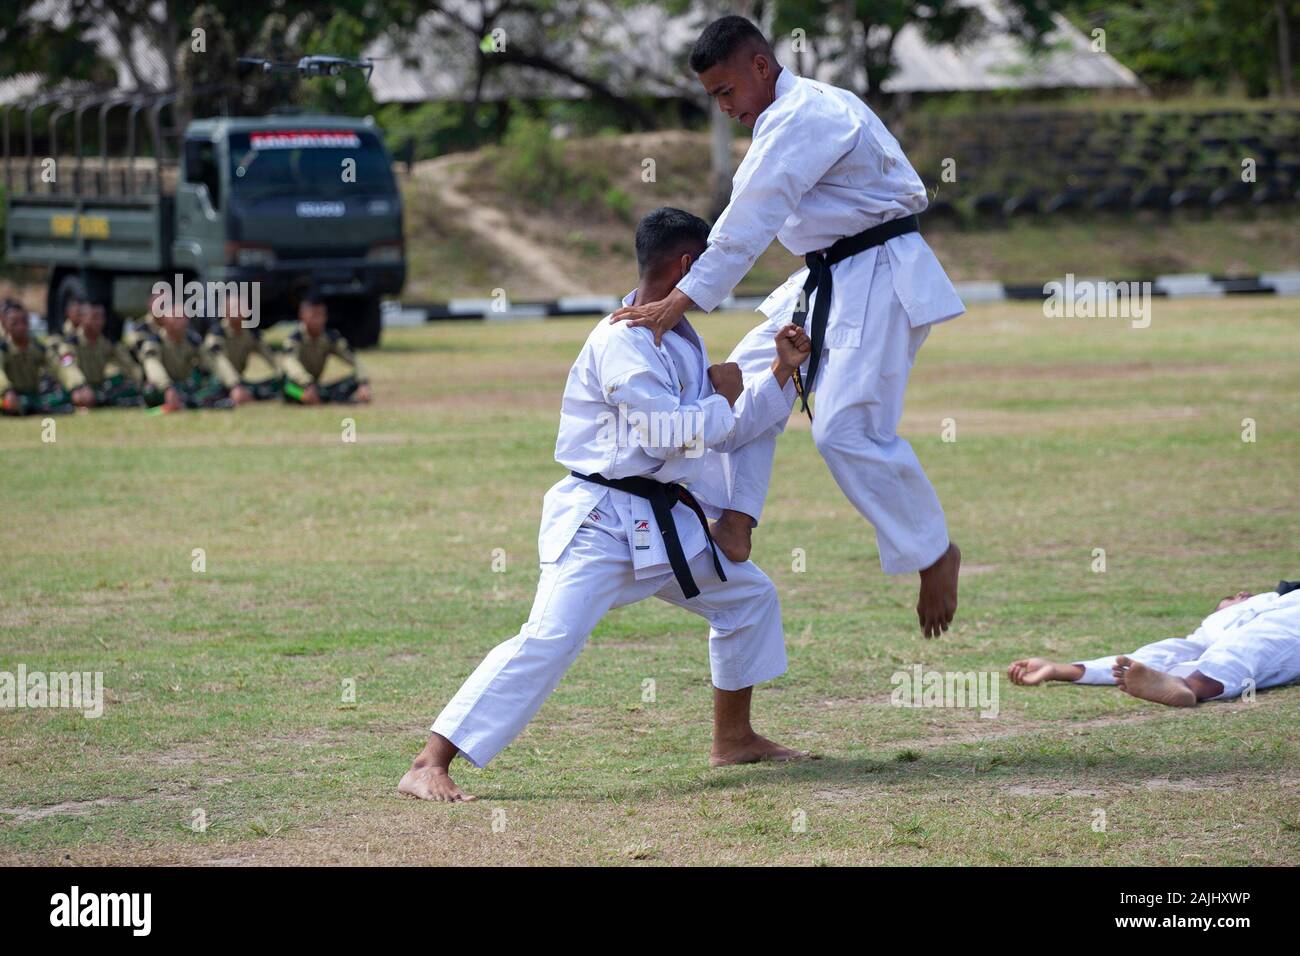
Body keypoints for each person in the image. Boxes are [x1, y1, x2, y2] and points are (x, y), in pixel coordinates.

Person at [399, 208, 812, 802]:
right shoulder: (622, 340)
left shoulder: (682, 339)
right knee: (549, 637)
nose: (724, 277)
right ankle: (429, 760)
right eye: (718, 264)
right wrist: (722, 395)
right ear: (689, 265)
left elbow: (726, 429)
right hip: (600, 522)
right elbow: (665, 434)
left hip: (661, 519)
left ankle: (734, 738)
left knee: (748, 596)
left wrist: (778, 371)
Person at [610, 15, 964, 639]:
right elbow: (748, 213)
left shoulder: (808, 115)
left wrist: (679, 301)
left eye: (725, 93)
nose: (724, 109)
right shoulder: (783, 120)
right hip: (825, 277)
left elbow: (750, 216)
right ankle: (738, 520)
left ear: (760, 67)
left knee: (844, 431)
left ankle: (933, 552)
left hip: (878, 274)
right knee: (739, 388)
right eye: (712, 99)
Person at [1007, 581, 1300, 706]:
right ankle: (1069, 670)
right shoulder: (1230, 616)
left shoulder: (1271, 605)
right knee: (1169, 650)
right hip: (1234, 624)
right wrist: (1057, 669)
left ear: (1241, 594)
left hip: (1290, 611)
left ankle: (1190, 688)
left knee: (1252, 645)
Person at [139, 304, 248, 410]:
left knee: (215, 383)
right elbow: (153, 367)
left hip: (184, 387)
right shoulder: (154, 343)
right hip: (161, 389)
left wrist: (234, 385)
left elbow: (213, 361)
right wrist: (167, 387)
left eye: (183, 316)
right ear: (164, 320)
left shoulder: (193, 340)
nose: (181, 321)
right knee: (150, 392)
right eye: (176, 317)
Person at [280, 293, 372, 404]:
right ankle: (311, 397)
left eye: (321, 315)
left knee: (353, 381)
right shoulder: (294, 340)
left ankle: (322, 397)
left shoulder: (331, 338)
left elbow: (354, 359)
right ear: (302, 316)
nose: (317, 320)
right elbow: (291, 363)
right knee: (287, 389)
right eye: (313, 315)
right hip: (297, 385)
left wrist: (363, 383)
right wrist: (307, 383)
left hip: (315, 387)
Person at [58, 301, 144, 408]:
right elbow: (69, 367)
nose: (99, 322)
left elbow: (129, 365)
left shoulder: (107, 343)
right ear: (82, 318)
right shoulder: (70, 344)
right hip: (77, 388)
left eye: (101, 317)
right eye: (94, 317)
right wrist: (79, 386)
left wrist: (141, 382)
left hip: (98, 388)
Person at [0, 300, 75, 416]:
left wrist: (77, 386)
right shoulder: (3, 349)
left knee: (65, 396)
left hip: (34, 395)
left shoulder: (39, 348)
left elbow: (60, 367)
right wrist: (7, 390)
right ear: (5, 324)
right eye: (14, 323)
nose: (21, 327)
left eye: (24, 322)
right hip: (10, 395)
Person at [203, 304, 282, 401]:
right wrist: (235, 385)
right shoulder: (216, 335)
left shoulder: (251, 332)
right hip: (214, 384)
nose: (237, 312)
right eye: (233, 308)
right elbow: (221, 363)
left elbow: (271, 356)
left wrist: (283, 374)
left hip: (239, 383)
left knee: (279, 388)